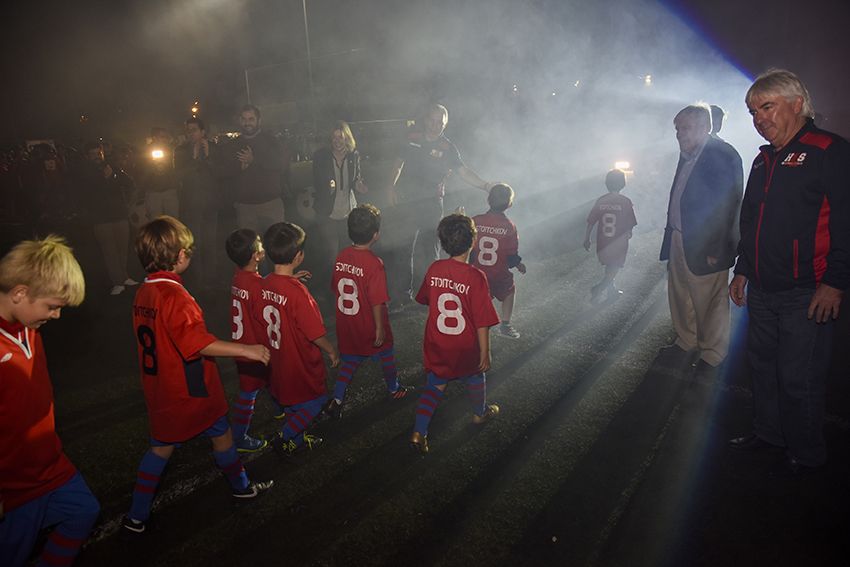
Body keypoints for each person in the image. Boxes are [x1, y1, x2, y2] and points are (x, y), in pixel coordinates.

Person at [728, 69, 850, 475]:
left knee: (799, 377)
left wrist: (835, 282)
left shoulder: (828, 150)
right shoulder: (762, 159)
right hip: (763, 288)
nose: (759, 118)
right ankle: (770, 434)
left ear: (797, 104)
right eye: (753, 112)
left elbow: (846, 221)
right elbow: (750, 221)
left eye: (767, 107)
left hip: (807, 291)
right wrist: (743, 269)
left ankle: (806, 452)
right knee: (762, 368)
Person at [123, 216, 273, 534]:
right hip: (192, 389)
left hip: (161, 388)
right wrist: (246, 350)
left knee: (160, 448)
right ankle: (242, 487)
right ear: (180, 256)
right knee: (223, 436)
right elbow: (196, 343)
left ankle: (136, 515)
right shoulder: (174, 296)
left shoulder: (144, 292)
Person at [0, 237, 101, 567]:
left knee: (84, 511)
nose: (56, 315)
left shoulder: (28, 326)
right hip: (15, 482)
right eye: (52, 306)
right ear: (20, 293)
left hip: (49, 464)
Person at [659, 103, 743, 373]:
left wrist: (718, 249)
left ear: (705, 127)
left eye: (686, 128)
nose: (679, 134)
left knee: (710, 301)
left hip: (706, 244)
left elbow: (729, 206)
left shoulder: (723, 155)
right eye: (677, 128)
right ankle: (687, 340)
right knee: (681, 293)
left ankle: (713, 353)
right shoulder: (688, 153)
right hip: (680, 237)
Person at [409, 214, 501, 453]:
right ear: (474, 242)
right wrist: (485, 351)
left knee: (435, 385)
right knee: (475, 376)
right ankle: (479, 414)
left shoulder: (435, 268)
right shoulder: (475, 276)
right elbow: (482, 321)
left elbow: (425, 299)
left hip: (438, 342)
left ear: (442, 242)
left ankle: (420, 431)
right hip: (465, 345)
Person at [385, 103, 492, 307]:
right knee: (404, 250)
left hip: (432, 205)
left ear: (445, 124)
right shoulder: (412, 138)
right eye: (432, 121)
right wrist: (390, 186)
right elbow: (398, 164)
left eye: (439, 123)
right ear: (426, 120)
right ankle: (401, 296)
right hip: (407, 203)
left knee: (430, 251)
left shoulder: (448, 148)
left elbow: (463, 171)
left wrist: (485, 185)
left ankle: (431, 294)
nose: (435, 126)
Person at [252, 222, 340, 455]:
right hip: (299, 362)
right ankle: (285, 436)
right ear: (299, 256)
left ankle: (297, 440)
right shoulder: (298, 293)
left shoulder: (263, 283)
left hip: (276, 359)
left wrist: (290, 280)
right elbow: (314, 333)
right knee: (316, 402)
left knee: (292, 403)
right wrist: (331, 350)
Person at [323, 205, 409, 420]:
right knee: (386, 353)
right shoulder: (374, 264)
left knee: (350, 361)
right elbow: (378, 301)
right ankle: (393, 388)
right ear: (376, 235)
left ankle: (337, 399)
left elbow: (335, 288)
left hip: (347, 322)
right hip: (369, 323)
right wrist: (379, 328)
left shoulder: (341, 256)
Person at [225, 229, 271, 453]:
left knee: (269, 379)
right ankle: (239, 438)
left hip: (242, 344)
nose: (263, 246)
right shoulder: (256, 286)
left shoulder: (239, 276)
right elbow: (265, 317)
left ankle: (279, 407)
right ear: (257, 256)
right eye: (260, 244)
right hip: (253, 350)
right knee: (248, 394)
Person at [78, 142, 139, 296]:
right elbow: (85, 192)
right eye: (93, 154)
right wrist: (105, 178)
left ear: (103, 153)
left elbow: (129, 183)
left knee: (122, 248)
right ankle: (117, 282)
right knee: (110, 251)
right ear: (87, 156)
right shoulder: (84, 172)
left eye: (98, 153)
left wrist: (113, 177)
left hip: (119, 215)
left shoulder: (112, 168)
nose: (96, 157)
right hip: (101, 218)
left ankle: (124, 276)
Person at [218, 105, 285, 235]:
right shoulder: (232, 145)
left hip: (270, 205)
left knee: (276, 243)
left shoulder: (271, 141)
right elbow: (223, 171)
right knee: (250, 246)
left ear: (259, 121)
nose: (247, 123)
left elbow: (280, 164)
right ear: (239, 121)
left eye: (251, 119)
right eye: (244, 119)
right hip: (245, 208)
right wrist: (238, 167)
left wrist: (254, 160)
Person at [472, 183, 527, 339]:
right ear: (510, 204)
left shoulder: (475, 220)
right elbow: (511, 254)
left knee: (480, 296)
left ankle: (475, 323)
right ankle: (505, 325)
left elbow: (468, 244)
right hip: (498, 272)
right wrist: (518, 264)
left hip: (477, 272)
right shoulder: (509, 226)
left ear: (488, 200)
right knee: (509, 290)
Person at [311, 121, 368, 262]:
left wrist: (359, 185)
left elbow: (356, 179)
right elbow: (317, 182)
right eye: (334, 137)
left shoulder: (353, 156)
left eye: (340, 137)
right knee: (331, 252)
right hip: (327, 212)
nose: (337, 141)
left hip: (348, 211)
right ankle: (332, 275)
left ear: (347, 138)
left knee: (347, 251)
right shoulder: (321, 156)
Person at [175, 117, 221, 288]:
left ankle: (212, 279)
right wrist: (193, 158)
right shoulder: (181, 151)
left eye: (194, 130)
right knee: (196, 244)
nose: (190, 133)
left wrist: (208, 156)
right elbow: (178, 176)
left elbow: (221, 173)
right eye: (188, 130)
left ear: (203, 132)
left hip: (210, 205)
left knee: (210, 242)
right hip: (191, 206)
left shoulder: (213, 148)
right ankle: (198, 281)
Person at [584, 169, 637, 303]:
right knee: (615, 266)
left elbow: (591, 221)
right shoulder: (625, 202)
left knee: (610, 266)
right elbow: (630, 222)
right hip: (618, 241)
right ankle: (599, 288)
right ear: (623, 183)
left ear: (607, 183)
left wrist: (587, 238)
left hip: (603, 241)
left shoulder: (601, 200)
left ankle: (611, 291)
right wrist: (629, 232)